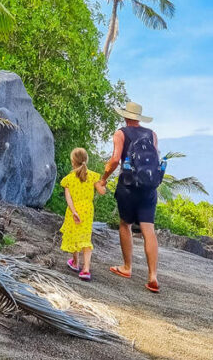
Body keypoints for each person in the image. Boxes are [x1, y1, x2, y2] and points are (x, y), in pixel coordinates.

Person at [97, 100, 161, 293]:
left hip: (128, 186)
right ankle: (153, 276)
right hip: (149, 187)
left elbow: (115, 159)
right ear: (139, 118)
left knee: (125, 224)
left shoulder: (121, 133)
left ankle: (127, 267)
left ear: (125, 116)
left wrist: (104, 178)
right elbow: (155, 160)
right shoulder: (152, 134)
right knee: (148, 228)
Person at [59, 148, 101, 281]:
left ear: (73, 162)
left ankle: (75, 262)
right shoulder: (93, 176)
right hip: (88, 210)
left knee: (74, 235)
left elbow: (69, 198)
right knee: (85, 238)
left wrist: (74, 212)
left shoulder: (69, 179)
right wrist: (104, 181)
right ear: (86, 160)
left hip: (74, 210)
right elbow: (102, 191)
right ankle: (86, 269)